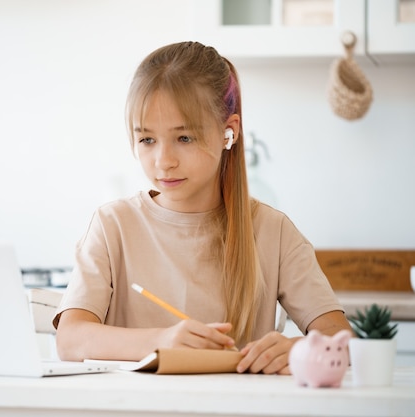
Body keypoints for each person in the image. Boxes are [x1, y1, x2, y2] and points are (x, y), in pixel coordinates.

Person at [52, 41, 352, 375]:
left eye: (184, 138)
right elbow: (70, 339)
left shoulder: (273, 231)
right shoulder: (112, 226)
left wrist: (297, 348)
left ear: (229, 132)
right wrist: (162, 341)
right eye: (147, 140)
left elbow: (342, 339)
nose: (163, 162)